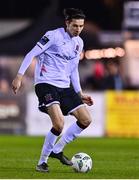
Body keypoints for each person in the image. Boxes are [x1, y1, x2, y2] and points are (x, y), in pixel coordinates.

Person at [12, 8, 93, 173]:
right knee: (59, 124)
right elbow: (31, 54)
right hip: (46, 84)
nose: (78, 29)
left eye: (81, 26)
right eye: (75, 26)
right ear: (67, 23)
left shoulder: (79, 43)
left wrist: (79, 93)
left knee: (86, 120)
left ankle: (58, 149)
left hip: (64, 86)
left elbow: (73, 70)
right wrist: (19, 76)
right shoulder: (53, 36)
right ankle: (42, 162)